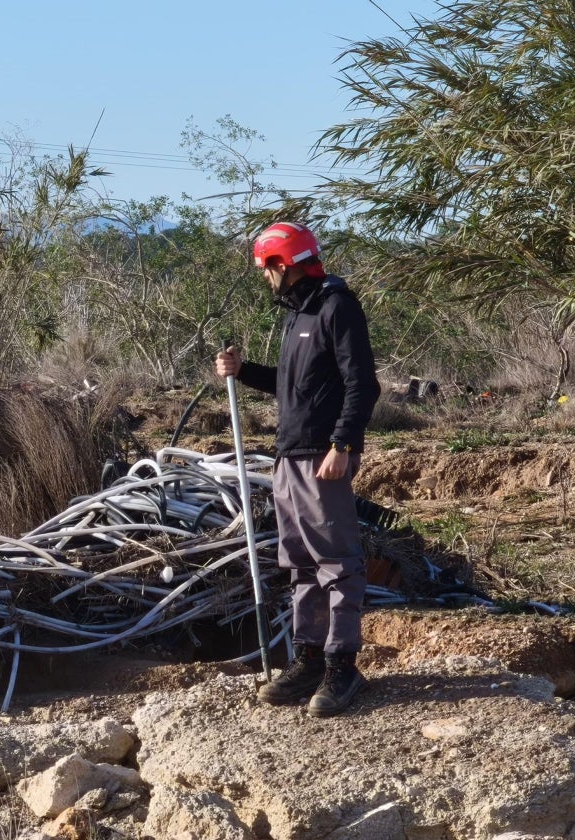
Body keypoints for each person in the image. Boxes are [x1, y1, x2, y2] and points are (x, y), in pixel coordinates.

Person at [216, 221, 380, 717]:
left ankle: (341, 666)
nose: (266, 279)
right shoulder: (299, 314)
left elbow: (362, 384)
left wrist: (344, 444)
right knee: (300, 564)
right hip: (288, 457)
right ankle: (308, 658)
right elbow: (293, 386)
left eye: (267, 268)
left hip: (322, 460)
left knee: (336, 562)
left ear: (283, 265)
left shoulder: (336, 307)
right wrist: (243, 372)